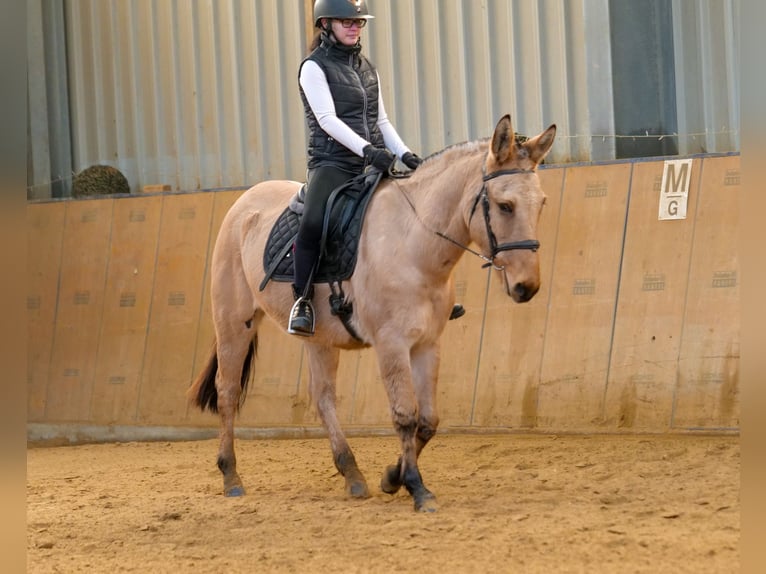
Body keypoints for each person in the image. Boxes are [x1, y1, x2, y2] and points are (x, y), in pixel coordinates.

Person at [289, 0, 462, 336]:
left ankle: (428, 291)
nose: (355, 28)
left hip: (371, 161)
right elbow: (327, 120)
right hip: (333, 163)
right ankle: (303, 300)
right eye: (346, 22)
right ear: (325, 24)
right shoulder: (313, 67)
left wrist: (406, 154)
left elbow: (381, 120)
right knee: (311, 222)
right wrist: (368, 151)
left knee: (413, 213)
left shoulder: (367, 67)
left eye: (359, 23)